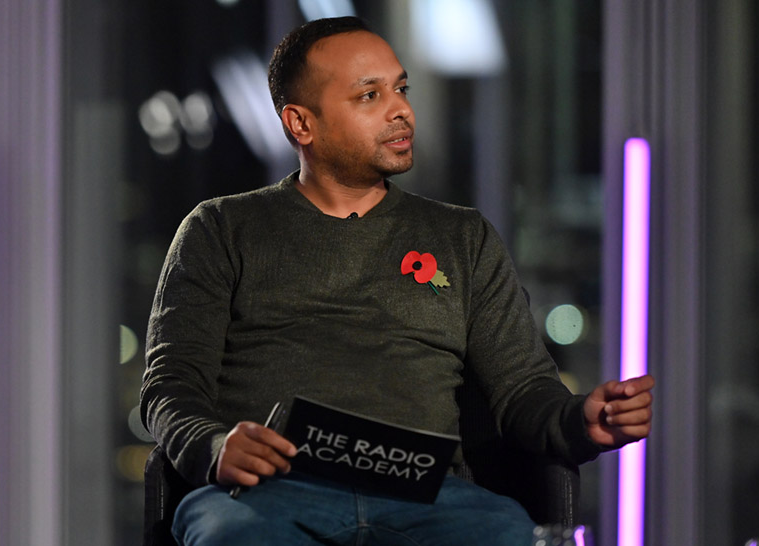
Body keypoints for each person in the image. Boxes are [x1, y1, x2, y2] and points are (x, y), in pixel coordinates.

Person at [141, 16, 654, 546]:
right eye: (370, 95)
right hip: (269, 494)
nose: (401, 109)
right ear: (301, 124)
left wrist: (579, 422)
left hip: (430, 499)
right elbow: (171, 386)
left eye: (401, 89)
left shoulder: (463, 237)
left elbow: (522, 389)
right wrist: (214, 446)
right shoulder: (221, 229)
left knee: (512, 535)